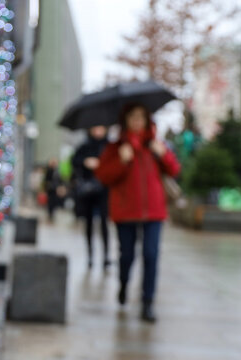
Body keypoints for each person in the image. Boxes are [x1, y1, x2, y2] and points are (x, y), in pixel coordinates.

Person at [95, 103, 180, 323]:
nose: (137, 121)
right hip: (126, 210)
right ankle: (123, 284)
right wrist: (122, 160)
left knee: (151, 255)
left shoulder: (154, 146)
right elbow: (104, 176)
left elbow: (174, 170)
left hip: (154, 211)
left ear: (147, 120)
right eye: (133, 117)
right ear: (125, 121)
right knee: (127, 256)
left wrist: (164, 155)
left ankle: (148, 302)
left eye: (141, 117)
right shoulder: (116, 148)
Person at [72, 126, 110, 270]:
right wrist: (85, 162)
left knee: (104, 223)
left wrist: (101, 164)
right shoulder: (84, 146)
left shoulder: (108, 146)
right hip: (88, 191)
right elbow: (74, 161)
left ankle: (106, 256)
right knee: (88, 224)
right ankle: (90, 256)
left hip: (104, 190)